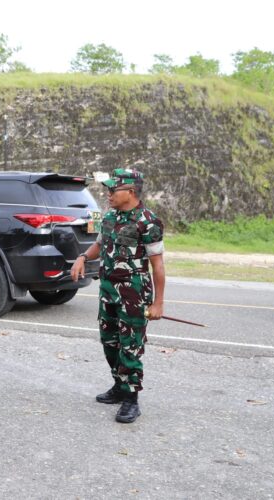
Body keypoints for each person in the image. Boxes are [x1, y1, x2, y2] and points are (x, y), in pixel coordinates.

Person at [70, 168, 165, 424]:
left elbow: (158, 265)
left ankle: (131, 399)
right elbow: (100, 245)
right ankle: (119, 385)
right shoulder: (110, 216)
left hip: (133, 293)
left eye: (114, 190)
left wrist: (157, 303)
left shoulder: (148, 221)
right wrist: (82, 257)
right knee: (109, 341)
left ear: (130, 192)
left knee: (130, 346)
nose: (108, 194)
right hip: (108, 291)